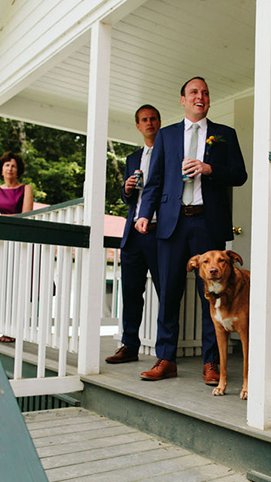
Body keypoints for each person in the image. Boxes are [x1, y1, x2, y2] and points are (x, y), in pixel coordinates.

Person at [135, 77, 247, 383]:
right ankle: (165, 359)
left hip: (208, 222)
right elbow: (155, 180)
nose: (201, 96)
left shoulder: (224, 135)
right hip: (171, 223)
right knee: (169, 292)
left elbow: (239, 175)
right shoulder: (166, 135)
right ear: (183, 100)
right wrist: (144, 214)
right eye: (194, 92)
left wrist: (210, 169)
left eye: (205, 93)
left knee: (212, 295)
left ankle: (211, 362)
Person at [106, 105, 162, 364]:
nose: (149, 123)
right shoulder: (132, 158)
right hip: (133, 235)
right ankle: (129, 346)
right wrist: (127, 189)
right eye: (144, 120)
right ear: (138, 126)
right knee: (130, 292)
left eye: (153, 119)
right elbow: (128, 199)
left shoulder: (169, 153)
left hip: (160, 232)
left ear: (159, 122)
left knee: (166, 293)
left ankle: (165, 353)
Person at [0, 151, 35, 343]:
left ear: (18, 170)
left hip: (16, 242)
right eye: (7, 165)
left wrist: (1, 217)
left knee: (12, 286)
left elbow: (25, 216)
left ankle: (10, 329)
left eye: (13, 166)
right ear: (1, 169)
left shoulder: (26, 189)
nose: (10, 169)